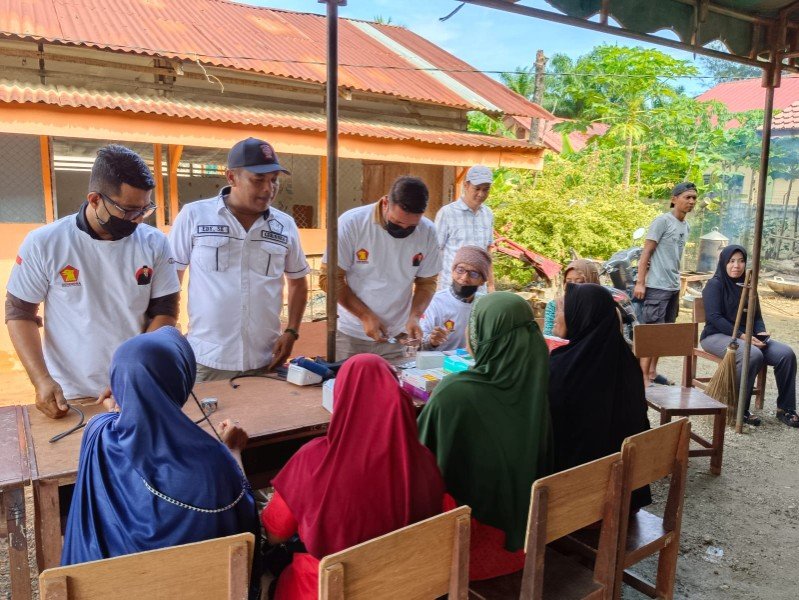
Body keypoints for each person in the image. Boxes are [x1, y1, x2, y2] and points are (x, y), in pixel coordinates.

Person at [61, 328, 259, 584]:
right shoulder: (213, 466)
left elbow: (111, 415)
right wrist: (232, 451)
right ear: (181, 381)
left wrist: (126, 395)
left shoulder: (96, 433)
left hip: (105, 589)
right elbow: (243, 517)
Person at [5, 144, 180, 419]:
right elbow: (19, 313)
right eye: (128, 210)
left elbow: (165, 312)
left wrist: (130, 373)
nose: (137, 220)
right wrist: (41, 380)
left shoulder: (154, 243)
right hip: (72, 395)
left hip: (137, 386)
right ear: (95, 199)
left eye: (145, 209)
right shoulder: (46, 243)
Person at [261, 354, 445, 599]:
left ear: (340, 399)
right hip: (402, 588)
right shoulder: (423, 461)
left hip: (322, 590)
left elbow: (275, 534)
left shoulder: (312, 461)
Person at [418, 292, 553, 581]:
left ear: (486, 335)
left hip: (465, 553)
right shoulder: (534, 387)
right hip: (526, 544)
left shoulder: (455, 394)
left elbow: (419, 461)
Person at [169, 138, 310, 382]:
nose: (268, 189)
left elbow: (298, 281)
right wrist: (170, 333)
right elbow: (171, 280)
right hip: (207, 359)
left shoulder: (284, 225)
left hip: (266, 358)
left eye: (274, 180)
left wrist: (292, 331)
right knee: (206, 420)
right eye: (258, 180)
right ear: (231, 177)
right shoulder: (194, 216)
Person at [549, 283, 652, 510]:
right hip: (627, 499)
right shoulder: (627, 362)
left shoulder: (561, 369)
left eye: (561, 309)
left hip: (579, 509)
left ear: (581, 315)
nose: (555, 316)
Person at [321, 176, 441, 360]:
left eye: (411, 227)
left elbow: (427, 282)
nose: (404, 230)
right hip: (352, 335)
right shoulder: (352, 223)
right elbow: (329, 278)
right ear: (385, 203)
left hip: (398, 338)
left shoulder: (428, 231)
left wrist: (414, 316)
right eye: (397, 223)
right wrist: (365, 316)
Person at [700, 245, 798, 427]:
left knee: (786, 354)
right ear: (723, 262)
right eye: (731, 261)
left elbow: (757, 316)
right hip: (716, 336)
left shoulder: (748, 285)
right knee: (752, 355)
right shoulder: (715, 284)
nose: (736, 265)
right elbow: (714, 318)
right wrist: (742, 335)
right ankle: (737, 409)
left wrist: (760, 333)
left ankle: (785, 409)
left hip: (747, 337)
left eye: (741, 261)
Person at [633, 181, 696, 385]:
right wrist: (640, 282)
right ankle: (642, 377)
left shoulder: (685, 225)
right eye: (687, 197)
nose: (691, 201)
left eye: (694, 198)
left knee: (665, 332)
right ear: (674, 199)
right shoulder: (662, 221)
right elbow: (646, 253)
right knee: (653, 331)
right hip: (657, 285)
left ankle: (652, 372)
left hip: (673, 286)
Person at [434, 165, 495, 291]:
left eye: (486, 190)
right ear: (466, 185)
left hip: (478, 291)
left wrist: (491, 285)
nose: (481, 194)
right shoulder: (447, 213)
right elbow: (434, 251)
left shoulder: (488, 214)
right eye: (477, 188)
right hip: (451, 289)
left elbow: (487, 253)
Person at [421, 245, 490, 351]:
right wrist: (431, 341)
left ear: (482, 281)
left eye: (474, 274)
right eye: (460, 270)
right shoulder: (434, 302)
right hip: (440, 365)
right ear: (453, 272)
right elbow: (419, 343)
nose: (464, 278)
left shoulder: (485, 304)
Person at [542, 259, 600, 336]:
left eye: (580, 282)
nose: (572, 287)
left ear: (592, 282)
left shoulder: (602, 306)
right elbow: (548, 337)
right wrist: (562, 327)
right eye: (569, 282)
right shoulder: (555, 305)